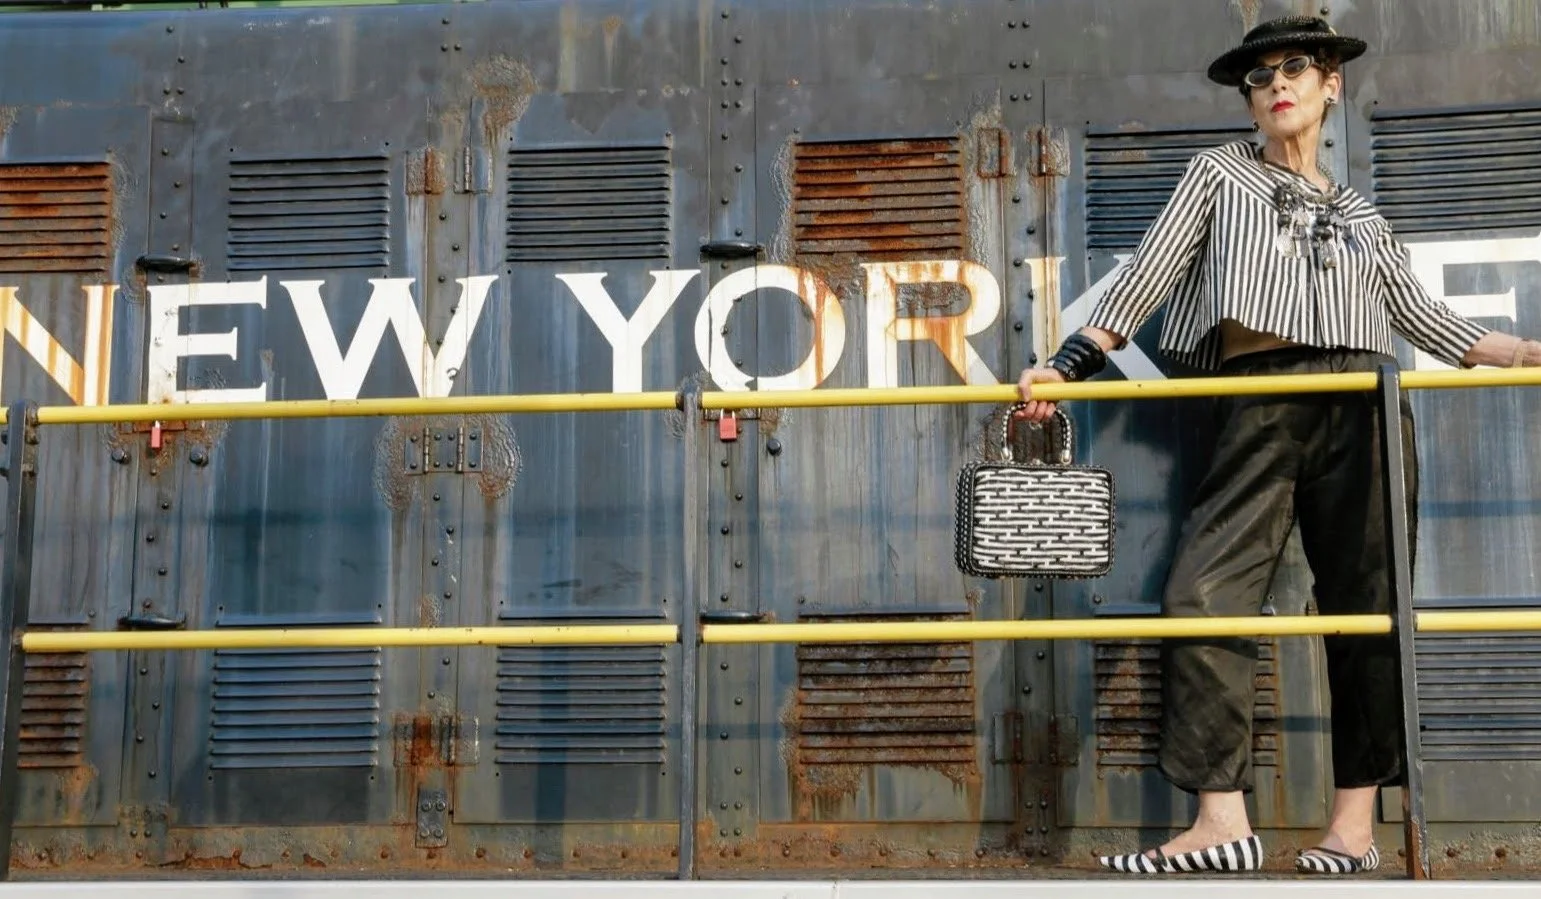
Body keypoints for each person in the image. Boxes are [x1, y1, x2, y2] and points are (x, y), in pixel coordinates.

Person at [1016, 15, 1541, 876]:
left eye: (1296, 67)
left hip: (1364, 397)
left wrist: (1521, 354)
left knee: (1369, 606)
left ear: (1331, 83)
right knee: (1202, 592)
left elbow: (1426, 320)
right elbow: (1146, 273)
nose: (1276, 85)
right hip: (1259, 395)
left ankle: (1354, 828)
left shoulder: (1362, 213)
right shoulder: (1218, 174)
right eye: (1259, 77)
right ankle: (1220, 820)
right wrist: (1066, 364)